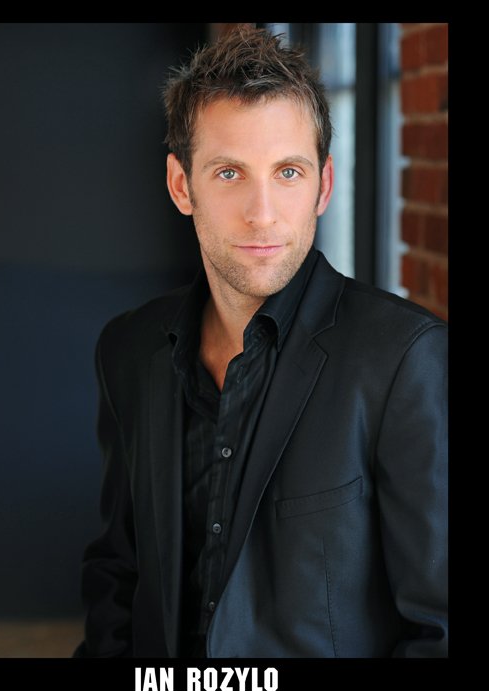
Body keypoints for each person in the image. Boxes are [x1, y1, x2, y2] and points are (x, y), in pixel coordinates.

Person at [73, 26, 447, 659]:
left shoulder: (405, 359)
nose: (263, 213)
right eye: (229, 173)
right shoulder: (127, 350)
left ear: (323, 186)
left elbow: (438, 629)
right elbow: (119, 572)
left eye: (288, 172)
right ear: (181, 186)